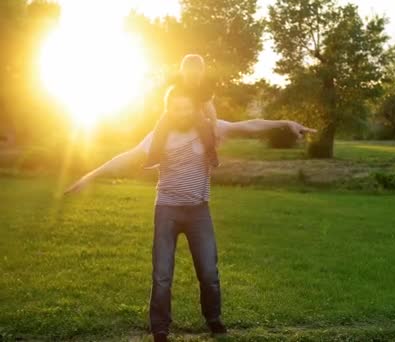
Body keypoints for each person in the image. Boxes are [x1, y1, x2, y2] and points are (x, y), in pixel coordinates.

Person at [64, 86, 316, 341]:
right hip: (167, 210)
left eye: (186, 107)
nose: (182, 113)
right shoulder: (159, 136)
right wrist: (90, 176)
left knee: (208, 272)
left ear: (194, 108)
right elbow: (126, 157)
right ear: (169, 111)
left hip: (198, 212)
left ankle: (214, 318)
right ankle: (160, 327)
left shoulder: (210, 128)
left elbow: (249, 125)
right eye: (176, 108)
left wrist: (285, 123)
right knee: (162, 275)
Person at [144, 54, 219, 169]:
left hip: (194, 112)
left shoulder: (203, 87)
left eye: (196, 74)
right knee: (160, 128)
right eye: (189, 74)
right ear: (182, 71)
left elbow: (208, 106)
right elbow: (168, 103)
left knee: (204, 127)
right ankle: (154, 157)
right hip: (174, 111)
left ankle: (210, 155)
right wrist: (170, 115)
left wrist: (214, 124)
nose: (193, 78)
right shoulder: (177, 85)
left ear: (202, 72)